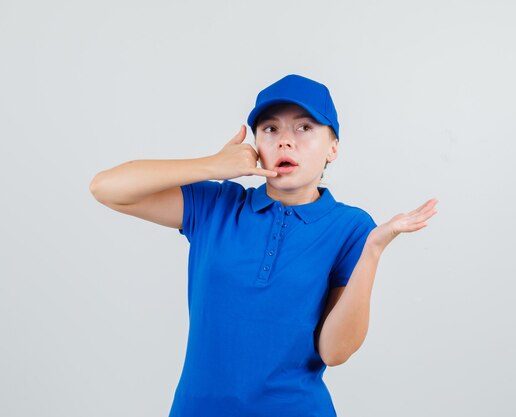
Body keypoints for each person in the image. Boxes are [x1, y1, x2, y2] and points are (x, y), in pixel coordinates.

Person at [89, 74, 438, 417]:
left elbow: (334, 352)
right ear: (256, 145)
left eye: (305, 128)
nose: (285, 141)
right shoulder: (216, 206)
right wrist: (212, 165)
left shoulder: (350, 227)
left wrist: (373, 250)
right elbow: (106, 188)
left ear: (333, 147)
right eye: (270, 129)